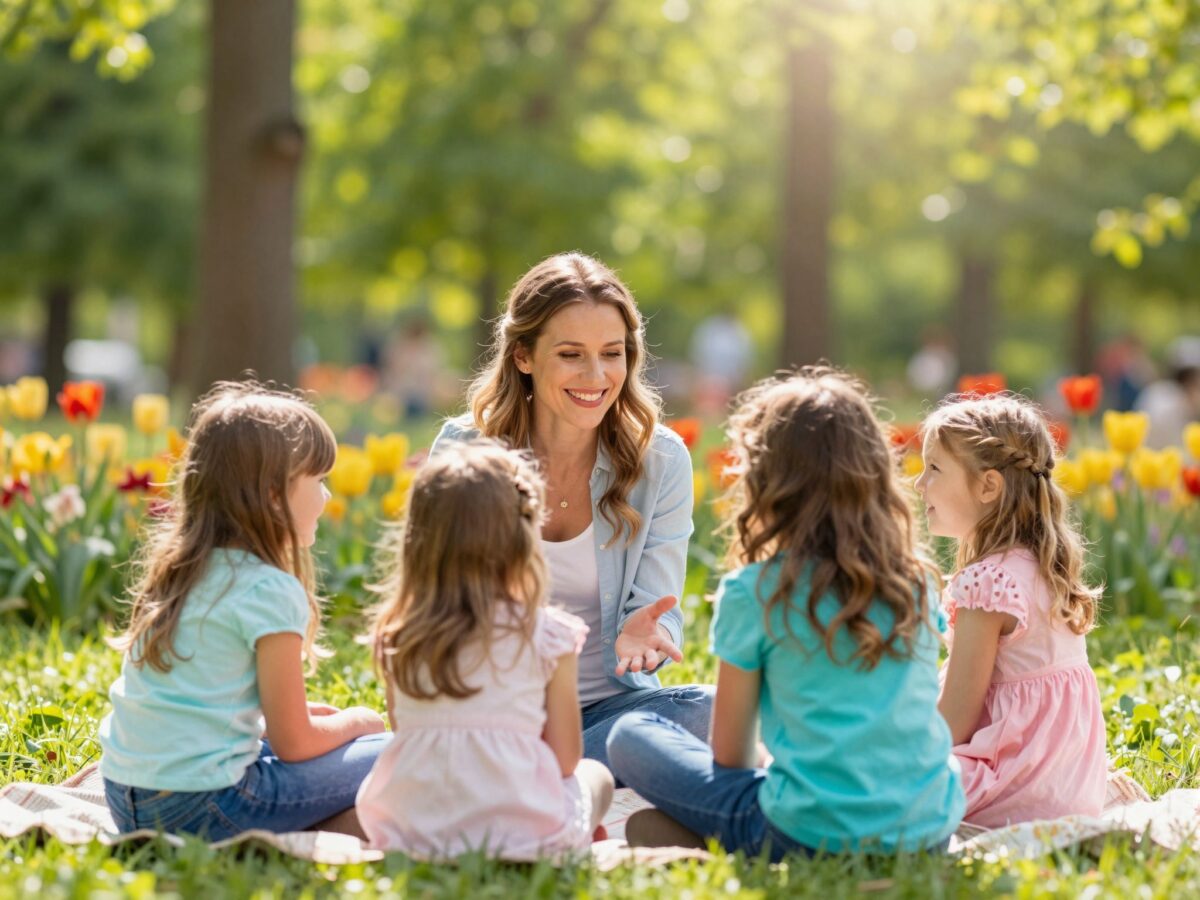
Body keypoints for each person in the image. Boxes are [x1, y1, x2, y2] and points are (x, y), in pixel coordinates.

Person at [607, 368, 965, 858]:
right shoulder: (917, 581)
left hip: (806, 834)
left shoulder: (754, 591)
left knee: (631, 735)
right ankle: (725, 830)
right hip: (928, 831)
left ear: (764, 481)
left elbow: (731, 757)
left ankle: (728, 834)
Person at [431, 252, 711, 769]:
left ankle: (543, 771)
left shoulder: (662, 460)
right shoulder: (465, 450)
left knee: (709, 710)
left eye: (612, 353)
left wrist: (652, 635)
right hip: (494, 713)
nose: (596, 375)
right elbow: (437, 606)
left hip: (612, 712)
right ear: (523, 356)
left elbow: (660, 605)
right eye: (570, 354)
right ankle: (557, 770)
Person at [99, 382, 388, 839]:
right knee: (392, 750)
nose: (328, 497)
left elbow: (203, 701)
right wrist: (357, 721)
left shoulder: (182, 569)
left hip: (124, 795)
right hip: (205, 807)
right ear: (273, 495)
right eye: (319, 481)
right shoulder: (268, 588)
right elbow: (295, 745)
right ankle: (341, 824)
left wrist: (296, 717)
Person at [356, 442, 613, 859]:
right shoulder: (548, 634)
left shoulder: (401, 635)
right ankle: (569, 833)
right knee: (595, 776)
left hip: (415, 828)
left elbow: (406, 732)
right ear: (524, 539)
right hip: (522, 831)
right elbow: (566, 760)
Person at [917, 393, 1106, 827]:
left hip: (1015, 788)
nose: (918, 483)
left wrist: (899, 749)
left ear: (988, 486)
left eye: (934, 469)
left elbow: (955, 722)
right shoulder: (1039, 567)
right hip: (1069, 787)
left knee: (877, 776)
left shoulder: (989, 583)